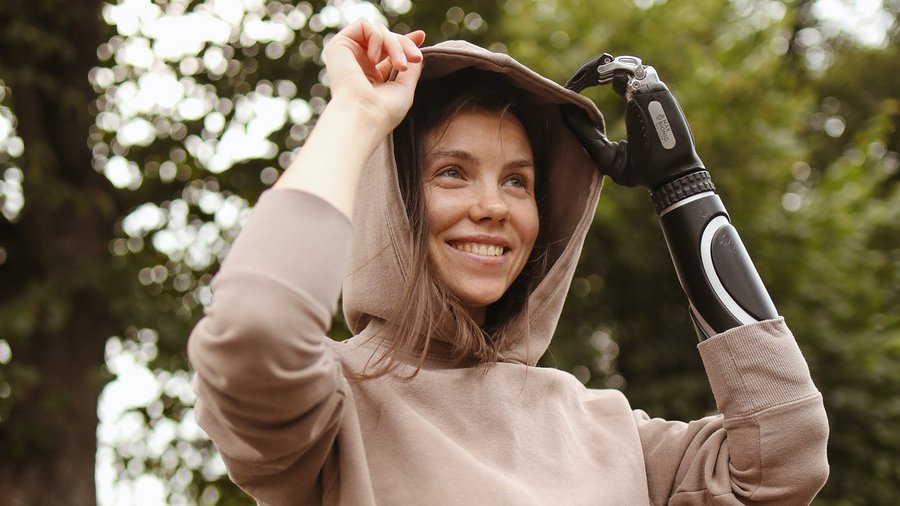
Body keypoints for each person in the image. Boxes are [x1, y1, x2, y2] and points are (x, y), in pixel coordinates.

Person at [188, 20, 829, 505]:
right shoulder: (331, 409)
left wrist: (684, 192)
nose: (494, 206)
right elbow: (254, 328)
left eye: (518, 182)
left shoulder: (610, 431)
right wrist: (357, 114)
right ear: (396, 203)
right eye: (452, 172)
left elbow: (786, 455)